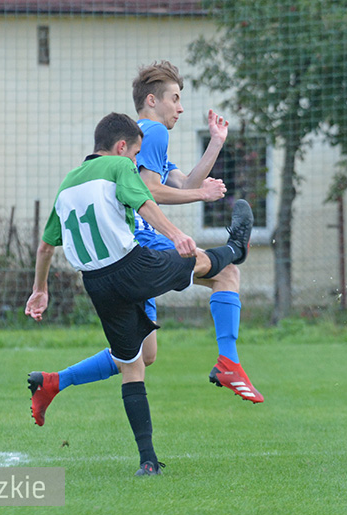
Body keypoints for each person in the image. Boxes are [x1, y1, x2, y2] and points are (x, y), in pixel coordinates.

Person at [25, 112, 253, 476]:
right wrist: (176, 234)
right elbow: (146, 201)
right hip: (130, 266)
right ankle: (237, 248)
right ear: (120, 148)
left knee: (135, 361)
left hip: (96, 284)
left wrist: (40, 289)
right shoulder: (119, 167)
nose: (136, 163)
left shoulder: (67, 183)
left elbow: (45, 248)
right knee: (209, 264)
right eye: (134, 155)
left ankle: (147, 461)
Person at [131, 60, 262, 403]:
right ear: (151, 100)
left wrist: (216, 143)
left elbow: (186, 182)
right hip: (146, 243)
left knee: (143, 355)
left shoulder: (141, 138)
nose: (180, 106)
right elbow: (150, 191)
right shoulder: (154, 132)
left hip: (130, 249)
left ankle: (54, 382)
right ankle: (229, 362)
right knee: (227, 272)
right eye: (174, 98)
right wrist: (201, 195)